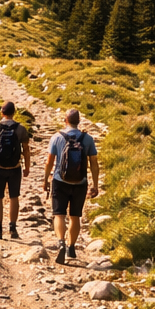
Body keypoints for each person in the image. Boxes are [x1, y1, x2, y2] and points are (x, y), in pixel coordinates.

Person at [43, 107, 98, 264]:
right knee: (75, 216)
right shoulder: (87, 139)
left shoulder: (56, 137)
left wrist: (46, 179)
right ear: (78, 121)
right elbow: (94, 163)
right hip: (80, 183)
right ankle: (71, 247)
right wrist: (95, 184)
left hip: (60, 181)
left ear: (65, 121)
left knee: (59, 214)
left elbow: (49, 162)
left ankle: (60, 242)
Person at [0, 100, 31, 239]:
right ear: (14, 113)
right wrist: (27, 167)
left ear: (1, 112)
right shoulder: (20, 129)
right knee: (14, 197)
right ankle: (13, 228)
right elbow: (26, 150)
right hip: (15, 167)